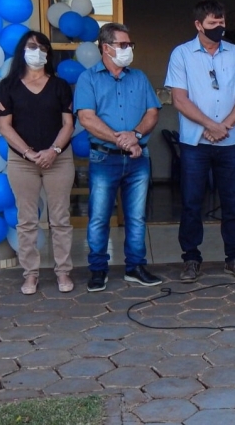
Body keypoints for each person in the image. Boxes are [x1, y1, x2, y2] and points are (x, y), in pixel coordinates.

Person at [164, 0, 235, 283]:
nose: (220, 27)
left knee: (231, 202)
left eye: (222, 22)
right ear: (198, 25)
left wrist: (223, 127)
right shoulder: (181, 54)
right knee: (191, 202)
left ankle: (234, 257)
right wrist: (210, 125)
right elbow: (179, 99)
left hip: (228, 142)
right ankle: (191, 259)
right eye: (213, 23)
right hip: (195, 143)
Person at [74, 23, 162, 292]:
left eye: (129, 45)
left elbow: (152, 113)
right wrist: (121, 139)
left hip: (138, 159)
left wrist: (134, 135)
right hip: (104, 158)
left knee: (136, 218)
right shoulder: (88, 79)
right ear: (106, 47)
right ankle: (98, 269)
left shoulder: (139, 77)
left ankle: (135, 267)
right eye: (123, 45)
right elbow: (86, 118)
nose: (128, 49)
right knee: (99, 217)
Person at [0, 31, 75, 295]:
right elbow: (4, 127)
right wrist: (30, 154)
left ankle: (63, 272)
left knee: (60, 219)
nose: (37, 51)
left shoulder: (61, 86)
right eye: (32, 46)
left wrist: (53, 151)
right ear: (22, 51)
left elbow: (68, 124)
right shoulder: (8, 86)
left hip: (59, 158)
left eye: (43, 48)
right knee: (26, 220)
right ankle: (30, 274)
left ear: (48, 54)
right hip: (22, 162)